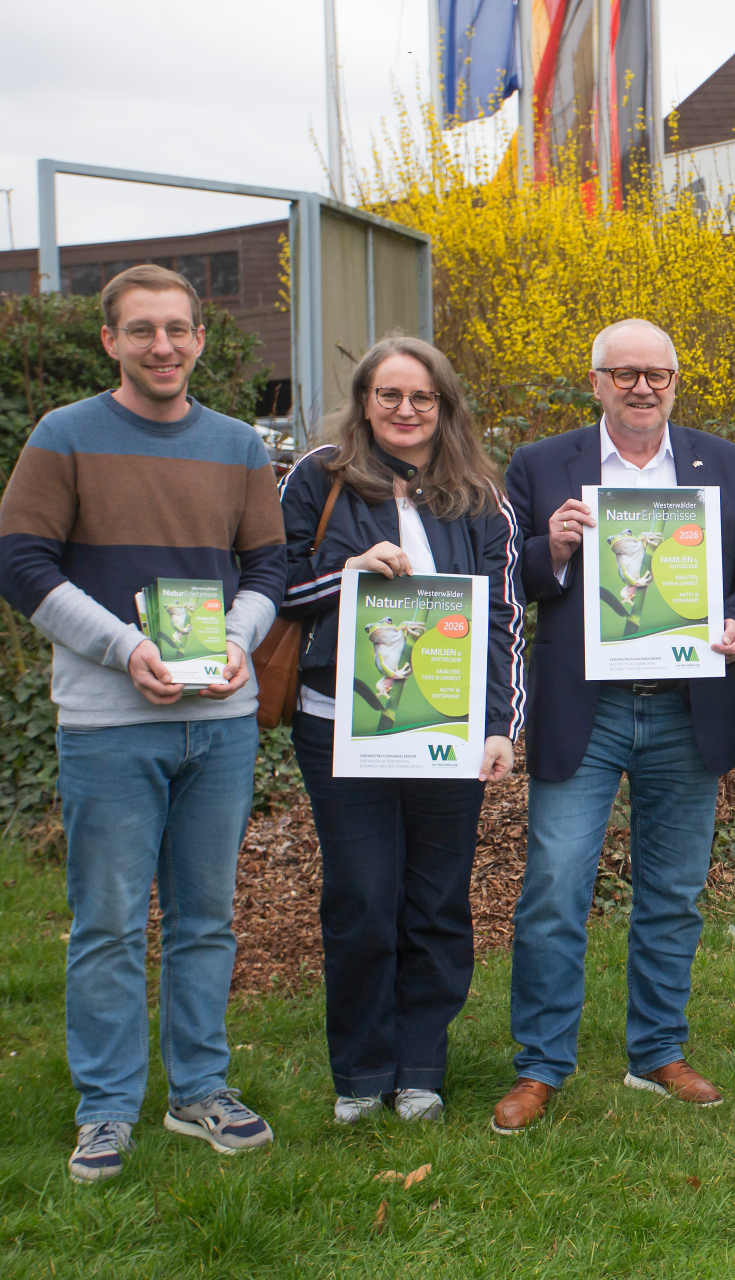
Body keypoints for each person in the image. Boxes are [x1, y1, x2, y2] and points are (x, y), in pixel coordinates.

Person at [0, 265, 286, 1182]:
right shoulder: (65, 436)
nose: (161, 345)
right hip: (111, 723)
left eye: (176, 329)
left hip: (223, 720)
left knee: (205, 920)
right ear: (110, 342)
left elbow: (269, 569)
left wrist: (242, 640)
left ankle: (199, 1090)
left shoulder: (240, 445)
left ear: (202, 339)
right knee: (112, 923)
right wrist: (126, 649)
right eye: (141, 331)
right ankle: (107, 1108)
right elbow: (22, 563)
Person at [492, 318, 735, 1132]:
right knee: (554, 889)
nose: (641, 386)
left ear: (675, 379)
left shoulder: (722, 465)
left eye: (655, 372)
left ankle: (657, 1052)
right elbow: (503, 582)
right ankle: (542, 1067)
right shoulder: (542, 465)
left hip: (686, 704)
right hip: (584, 709)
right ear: (595, 382)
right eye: (623, 373)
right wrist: (548, 548)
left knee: (675, 891)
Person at [277, 335, 525, 1125]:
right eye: (390, 395)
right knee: (361, 898)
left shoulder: (481, 493)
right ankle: (359, 1074)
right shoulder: (319, 477)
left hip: (446, 733)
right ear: (364, 402)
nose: (406, 410)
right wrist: (346, 574)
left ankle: (420, 1069)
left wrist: (498, 727)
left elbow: (504, 621)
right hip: (339, 728)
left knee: (436, 903)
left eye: (423, 397)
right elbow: (275, 582)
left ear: (444, 406)